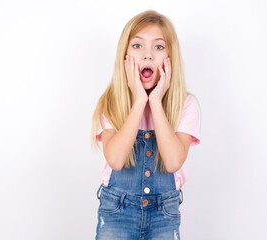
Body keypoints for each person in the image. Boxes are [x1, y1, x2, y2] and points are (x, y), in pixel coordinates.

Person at [91, 10, 201, 240]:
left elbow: (172, 162)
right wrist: (139, 100)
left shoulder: (186, 105)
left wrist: (156, 102)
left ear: (171, 57)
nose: (148, 56)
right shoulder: (111, 103)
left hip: (164, 216)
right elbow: (116, 159)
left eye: (159, 47)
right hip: (117, 214)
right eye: (137, 46)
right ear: (125, 55)